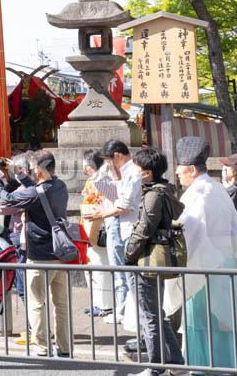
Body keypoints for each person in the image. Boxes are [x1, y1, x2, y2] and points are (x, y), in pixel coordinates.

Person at [0, 149, 71, 358]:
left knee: (37, 303)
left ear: (40, 170)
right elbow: (37, 190)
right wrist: (19, 175)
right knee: (61, 305)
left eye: (33, 168)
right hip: (60, 254)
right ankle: (64, 347)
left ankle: (42, 348)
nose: (32, 171)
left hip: (40, 255)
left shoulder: (37, 192)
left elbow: (7, 199)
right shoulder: (60, 186)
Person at [165, 136, 237, 372]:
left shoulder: (197, 194)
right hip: (225, 262)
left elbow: (187, 234)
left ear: (193, 170)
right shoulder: (219, 189)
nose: (177, 173)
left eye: (181, 169)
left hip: (203, 263)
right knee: (224, 320)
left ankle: (203, 368)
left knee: (202, 321)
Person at [124, 148, 185, 376]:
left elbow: (144, 230)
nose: (133, 170)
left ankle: (155, 368)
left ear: (147, 173)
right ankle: (178, 364)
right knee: (155, 313)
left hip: (145, 259)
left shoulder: (152, 195)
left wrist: (128, 254)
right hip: (154, 258)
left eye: (136, 167)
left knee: (149, 316)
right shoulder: (165, 191)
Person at [99, 140, 142, 326]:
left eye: (109, 160)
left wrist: (100, 214)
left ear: (117, 155)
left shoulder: (132, 172)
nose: (109, 165)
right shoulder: (125, 172)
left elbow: (124, 204)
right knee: (124, 272)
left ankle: (128, 312)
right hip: (126, 226)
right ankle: (126, 311)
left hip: (130, 227)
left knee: (127, 272)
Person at [0, 151, 32, 344]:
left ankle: (34, 329)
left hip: (23, 240)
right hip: (39, 241)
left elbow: (3, 206)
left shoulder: (24, 190)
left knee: (24, 287)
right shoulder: (48, 186)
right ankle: (39, 328)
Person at [79, 148, 114, 317]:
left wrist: (91, 197)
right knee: (92, 266)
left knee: (100, 267)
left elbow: (107, 203)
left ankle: (106, 305)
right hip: (89, 226)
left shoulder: (104, 180)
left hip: (99, 228)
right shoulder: (90, 181)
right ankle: (97, 303)